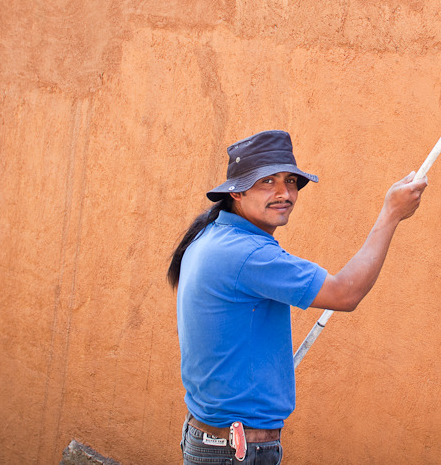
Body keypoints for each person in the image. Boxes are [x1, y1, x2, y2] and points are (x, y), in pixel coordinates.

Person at [167, 130, 427, 464]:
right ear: (238, 192)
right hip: (235, 451)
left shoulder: (213, 234)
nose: (284, 193)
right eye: (267, 182)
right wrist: (391, 214)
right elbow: (346, 293)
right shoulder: (248, 254)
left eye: (291, 181)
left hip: (213, 438)